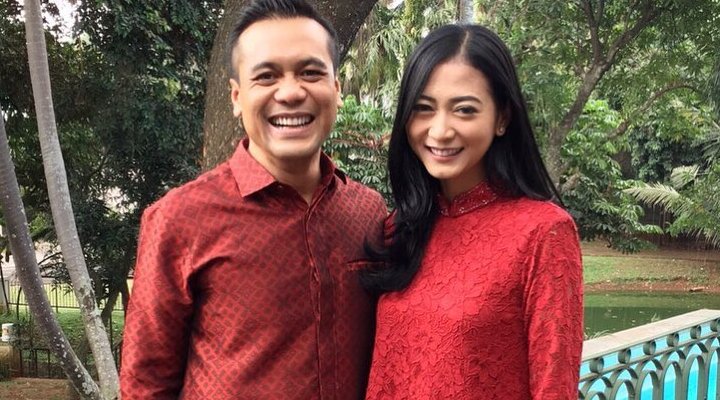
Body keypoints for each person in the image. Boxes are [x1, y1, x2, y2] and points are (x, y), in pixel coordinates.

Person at [120, 0, 386, 398]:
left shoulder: (368, 213)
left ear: (336, 89)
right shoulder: (179, 219)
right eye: (266, 76)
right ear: (236, 96)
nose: (291, 92)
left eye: (311, 72)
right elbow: (145, 384)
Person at [363, 24, 583, 399]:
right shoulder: (400, 228)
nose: (440, 131)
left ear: (502, 118)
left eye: (464, 110)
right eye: (423, 109)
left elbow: (554, 387)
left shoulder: (543, 233)